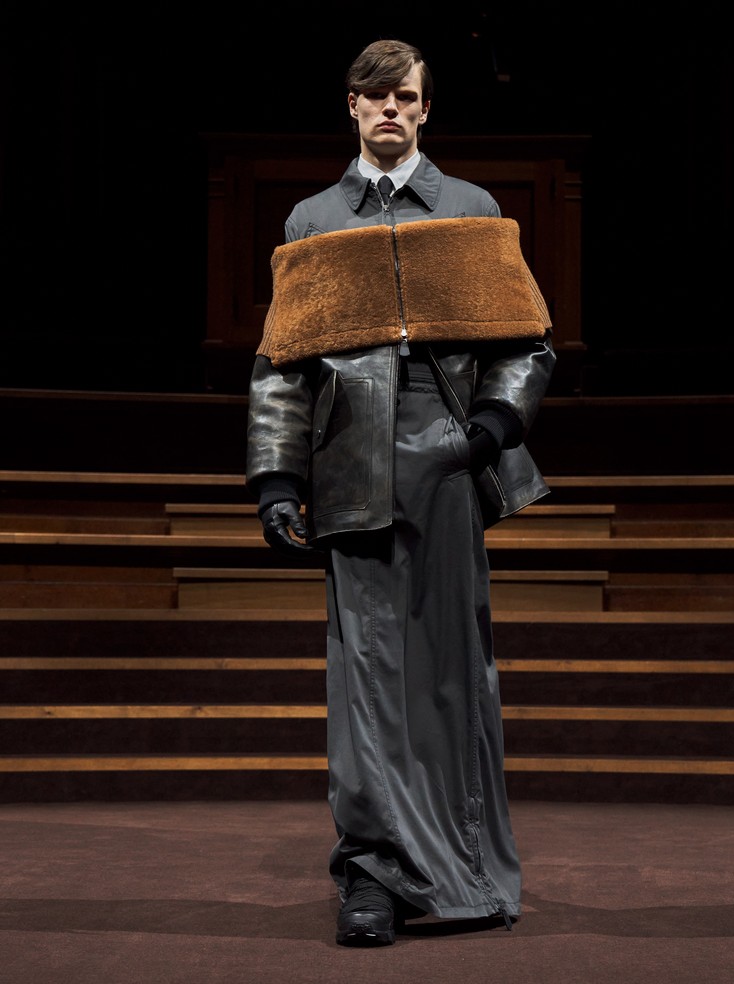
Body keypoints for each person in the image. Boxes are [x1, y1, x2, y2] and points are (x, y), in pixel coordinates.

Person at [246, 38, 556, 947]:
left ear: (425, 108)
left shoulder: (470, 209)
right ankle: (372, 876)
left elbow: (523, 342)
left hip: (445, 461)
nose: (390, 108)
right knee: (369, 676)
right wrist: (277, 477)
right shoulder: (312, 219)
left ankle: (462, 869)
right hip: (349, 463)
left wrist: (485, 433)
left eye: (406, 97)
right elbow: (282, 365)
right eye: (374, 95)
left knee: (453, 673)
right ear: (351, 105)